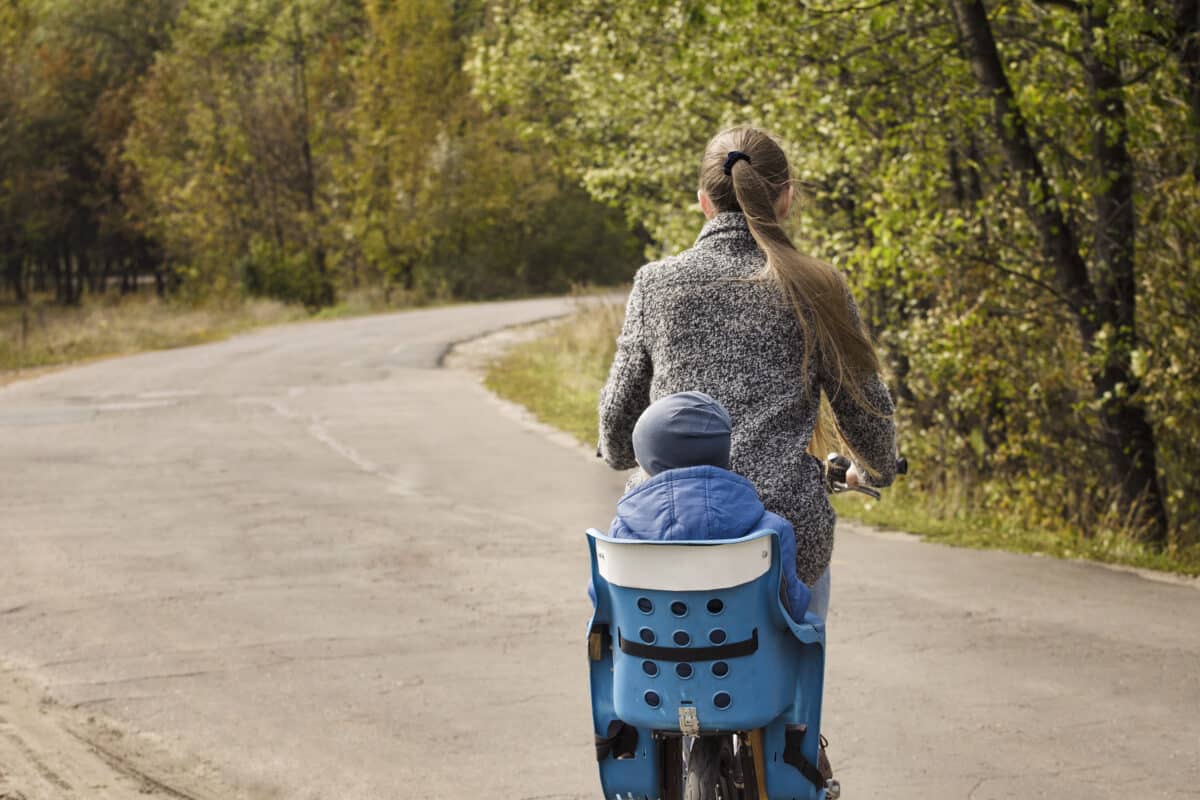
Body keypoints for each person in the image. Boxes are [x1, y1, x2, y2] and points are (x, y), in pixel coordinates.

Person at [597, 126, 898, 621]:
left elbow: (617, 434)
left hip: (666, 538)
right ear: (785, 198)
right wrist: (881, 465)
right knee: (793, 673)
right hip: (784, 541)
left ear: (703, 202)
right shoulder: (817, 285)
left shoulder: (656, 284)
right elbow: (864, 408)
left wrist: (627, 451)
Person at [595, 391, 812, 622]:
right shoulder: (772, 531)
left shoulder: (624, 529)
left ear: (647, 465)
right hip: (746, 655)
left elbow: (605, 606)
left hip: (648, 656)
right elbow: (791, 609)